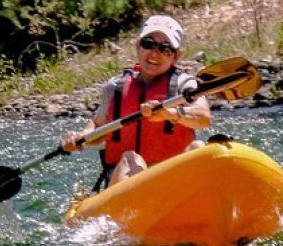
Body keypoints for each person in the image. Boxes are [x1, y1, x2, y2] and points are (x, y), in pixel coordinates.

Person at [61, 15, 211, 189]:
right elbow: (97, 127)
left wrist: (168, 113)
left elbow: (203, 117)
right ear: (138, 46)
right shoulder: (115, 88)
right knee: (130, 158)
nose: (155, 53)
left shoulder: (185, 84)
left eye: (165, 48)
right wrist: (81, 138)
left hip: (172, 183)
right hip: (127, 183)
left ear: (176, 56)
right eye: (148, 44)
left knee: (198, 147)